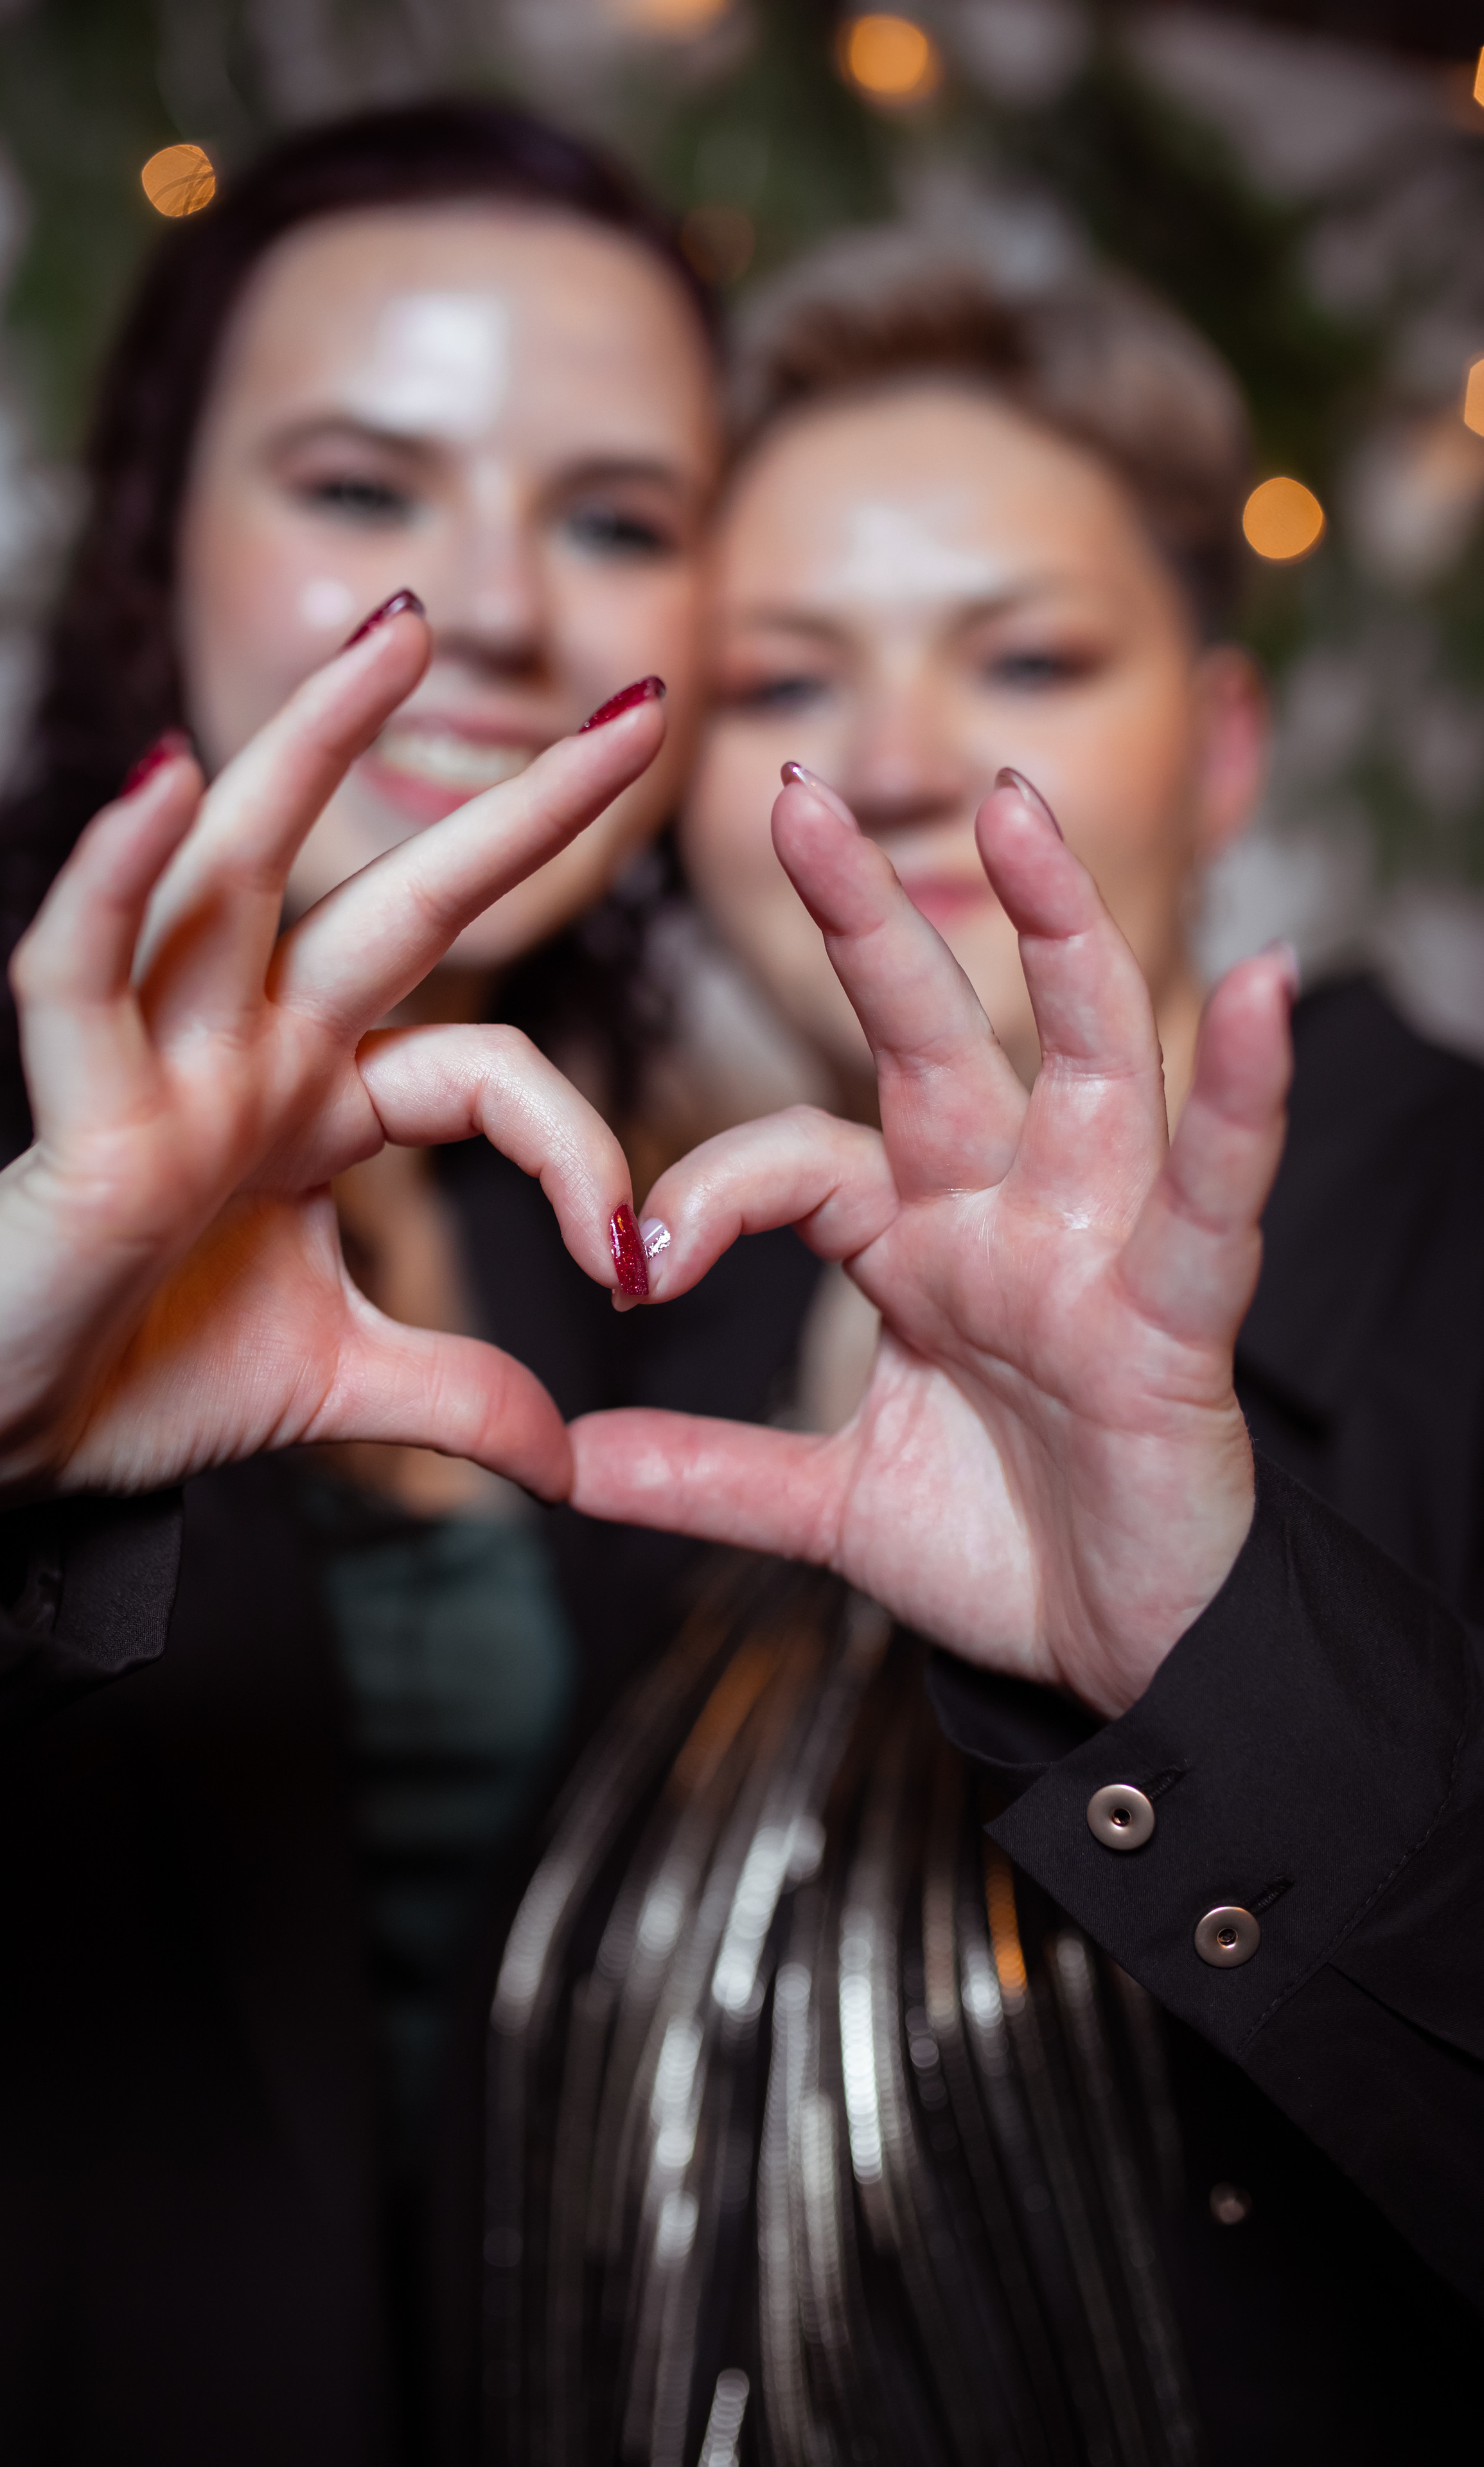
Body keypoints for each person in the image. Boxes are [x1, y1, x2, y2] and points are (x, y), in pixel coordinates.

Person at [0, 102, 824, 2464]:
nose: (491, 603)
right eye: (364, 490)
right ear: (152, 529)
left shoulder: (664, 1216)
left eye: (614, 519)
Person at [557, 233, 1484, 2452]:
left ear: (1228, 738)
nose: (894, 759)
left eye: (1032, 654)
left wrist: (1225, 1658)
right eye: (782, 682)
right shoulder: (635, 1316)